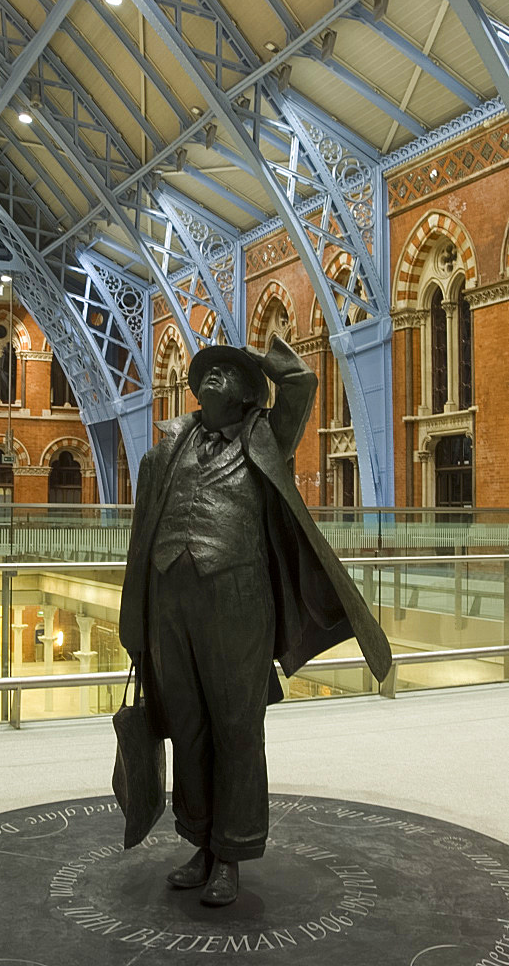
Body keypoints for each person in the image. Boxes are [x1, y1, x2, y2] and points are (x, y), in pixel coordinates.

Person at [119, 337, 391, 907]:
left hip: (239, 598)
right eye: (209, 371)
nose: (214, 377)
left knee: (236, 729)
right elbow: (141, 538)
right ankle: (200, 843)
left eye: (228, 373)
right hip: (172, 602)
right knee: (189, 727)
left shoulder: (266, 436)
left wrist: (255, 356)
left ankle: (233, 852)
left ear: (247, 394)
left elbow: (301, 383)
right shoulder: (167, 447)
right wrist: (136, 621)